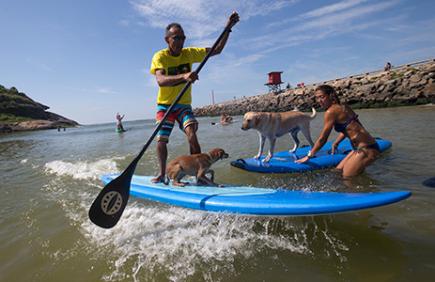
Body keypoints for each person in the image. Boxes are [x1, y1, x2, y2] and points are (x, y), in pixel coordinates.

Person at [149, 12, 239, 183]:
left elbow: (217, 50)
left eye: (183, 38)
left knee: (192, 133)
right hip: (165, 105)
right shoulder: (159, 56)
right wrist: (184, 77)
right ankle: (162, 174)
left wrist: (228, 28)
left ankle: (199, 174)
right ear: (167, 40)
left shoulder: (189, 53)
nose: (180, 41)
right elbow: (161, 81)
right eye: (176, 38)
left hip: (183, 105)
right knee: (161, 140)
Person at [296, 85, 380, 178]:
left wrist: (309, 156)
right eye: (317, 98)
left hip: (366, 150)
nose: (319, 100)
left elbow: (323, 138)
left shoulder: (330, 112)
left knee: (347, 178)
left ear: (330, 96)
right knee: (337, 171)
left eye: (322, 97)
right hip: (362, 148)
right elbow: (350, 128)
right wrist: (336, 143)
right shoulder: (344, 106)